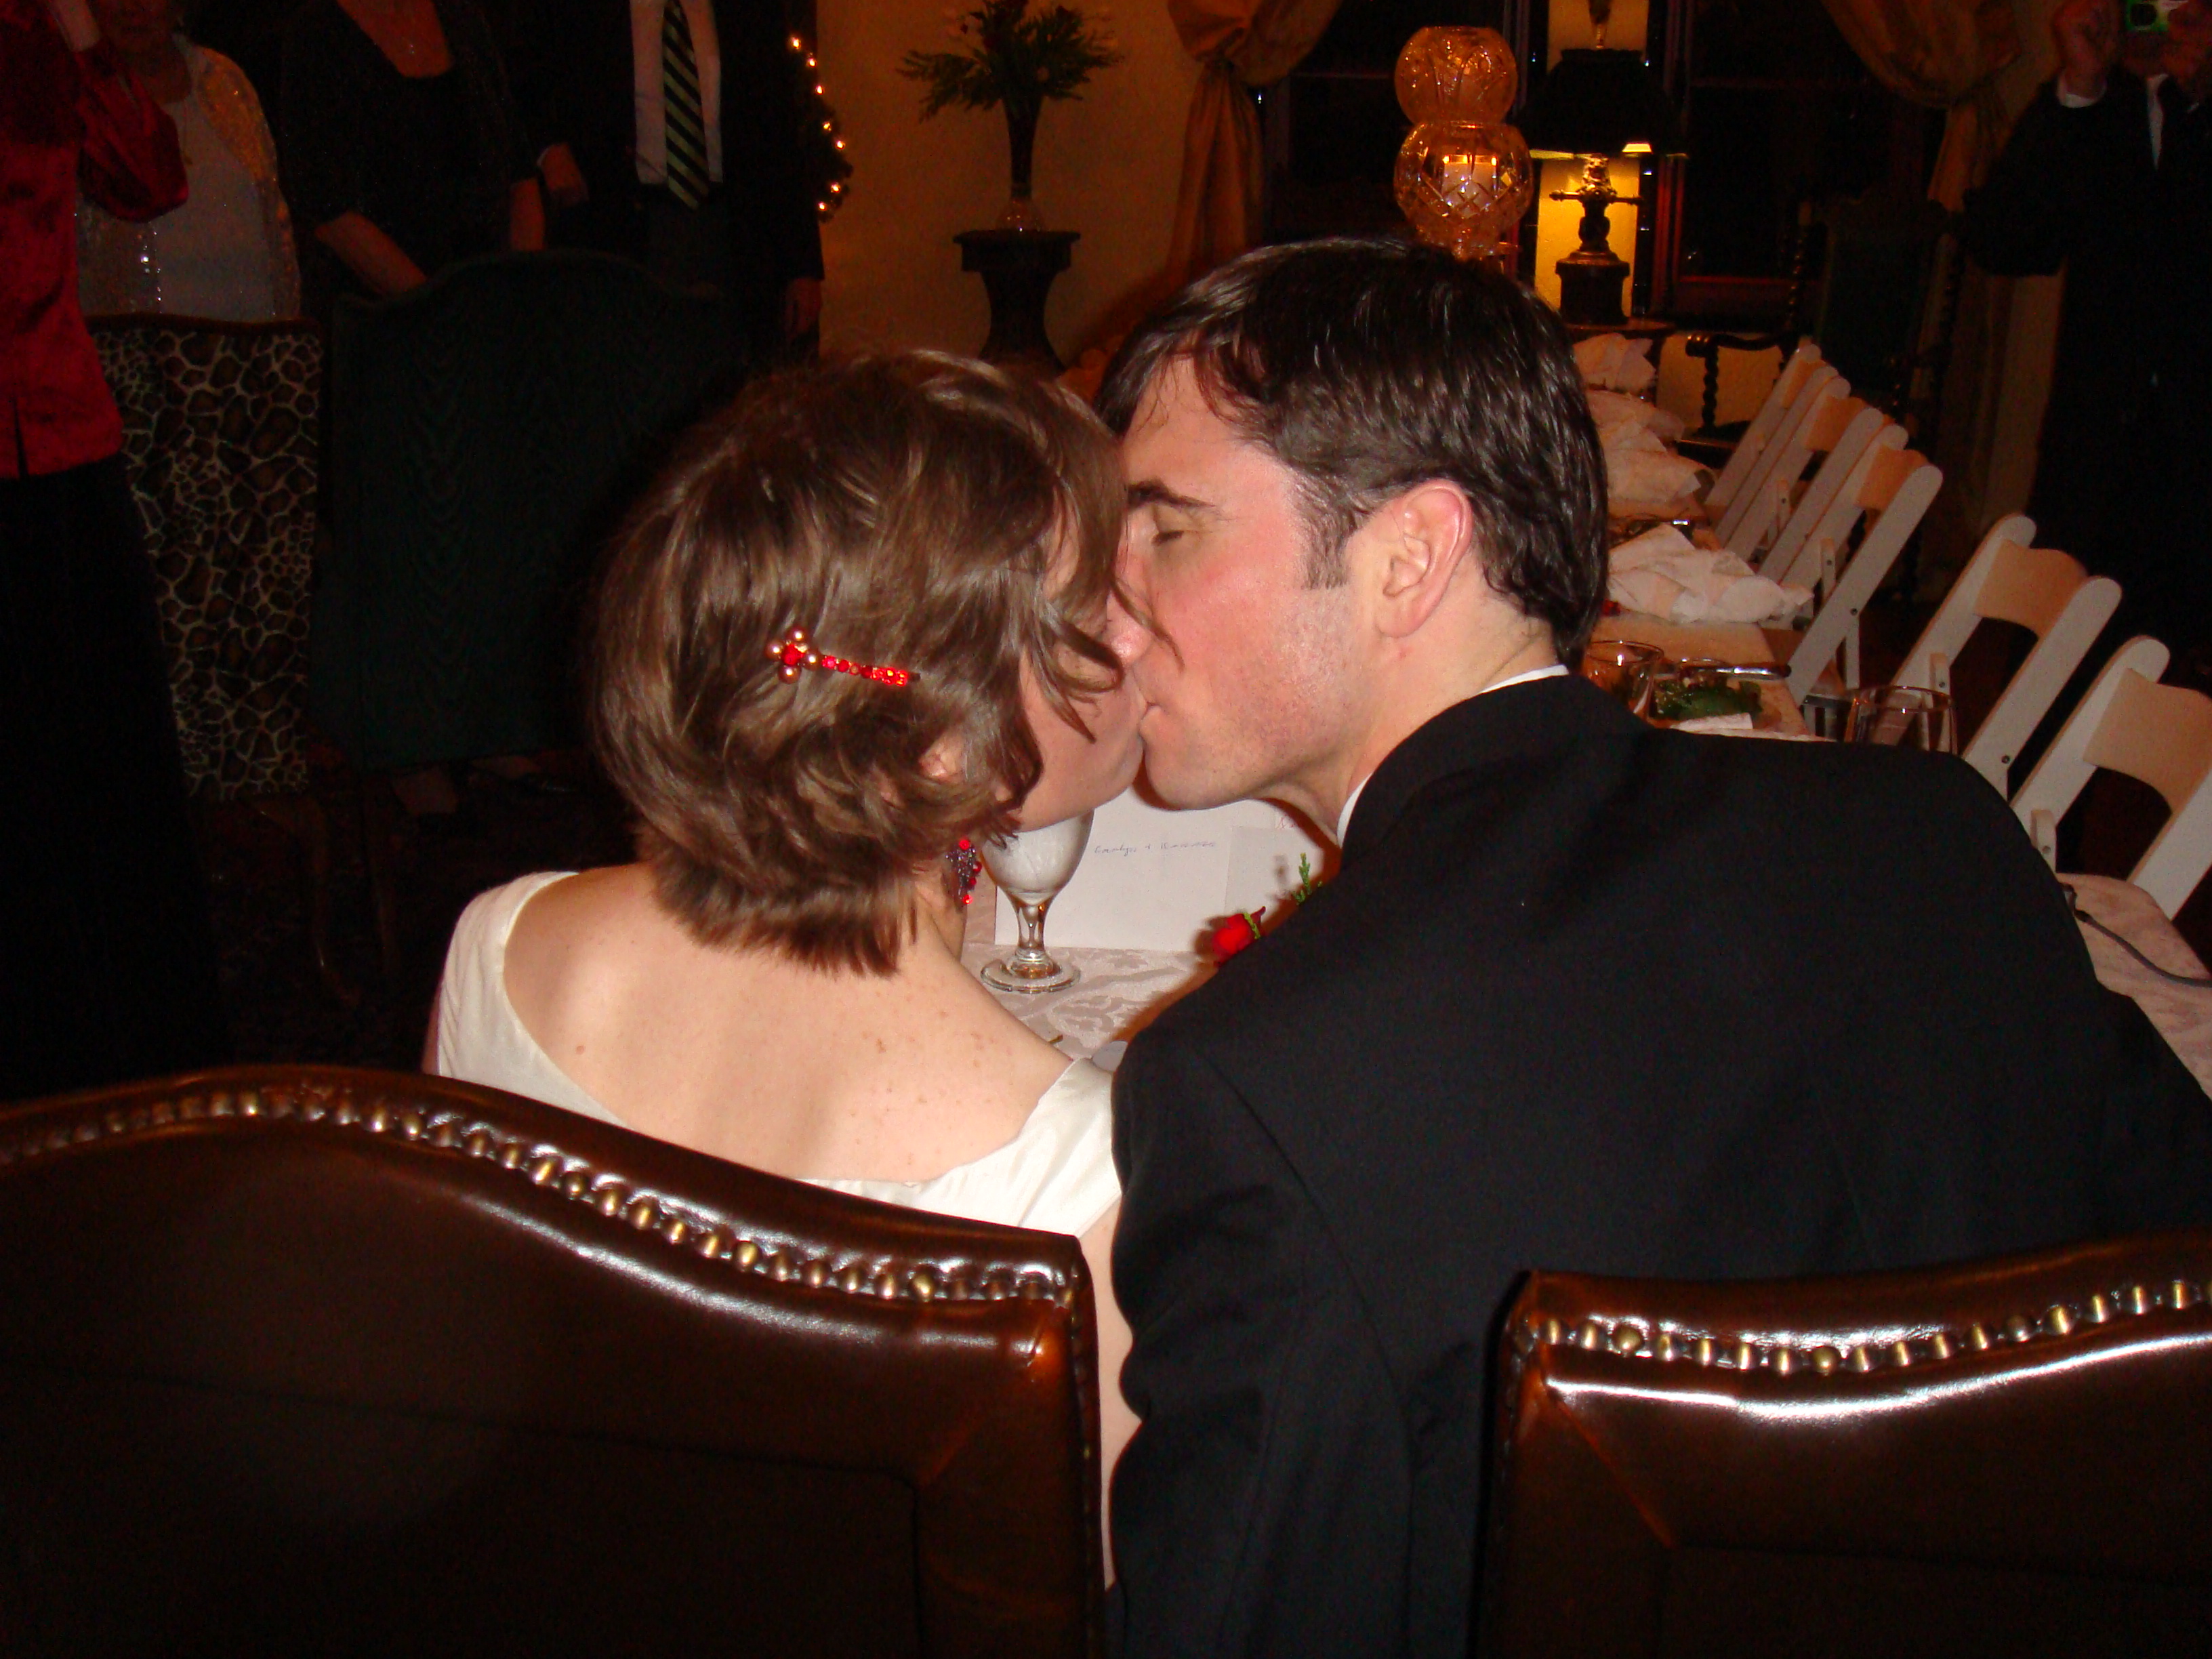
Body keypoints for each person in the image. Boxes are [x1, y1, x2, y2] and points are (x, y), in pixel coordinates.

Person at [1092, 238, 2212, 1657]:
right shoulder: (1940, 832)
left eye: (1166, 532)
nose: (1109, 616)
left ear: (1408, 559)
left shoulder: (1253, 1083)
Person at [428, 354, 1141, 1532]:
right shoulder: (1084, 1178)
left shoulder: (504, 946)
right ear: (941, 749)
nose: (1144, 633)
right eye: (1097, 608)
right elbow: (1075, 1584)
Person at [1, 0, 229, 1100]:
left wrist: (87, 40)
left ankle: (135, 1061)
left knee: (105, 766)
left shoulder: (41, 35)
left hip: (62, 442)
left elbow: (150, 180)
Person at [1962, 0, 2211, 653]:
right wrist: (2076, 89)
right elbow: (2005, 241)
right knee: (2052, 679)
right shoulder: (2098, 106)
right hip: (2094, 462)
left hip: (2195, 469)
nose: (2159, 22)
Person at [506, 0, 824, 359]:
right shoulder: (584, 13)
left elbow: (778, 127)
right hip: (623, 226)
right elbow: (525, 70)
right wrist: (549, 149)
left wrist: (802, 265)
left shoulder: (747, 11)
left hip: (730, 229)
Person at [279, 0, 542, 312]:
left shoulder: (463, 18)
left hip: (494, 301)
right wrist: (442, 311)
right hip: (388, 317)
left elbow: (519, 173)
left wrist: (522, 292)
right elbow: (331, 214)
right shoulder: (317, 36)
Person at [77, 0, 301, 319]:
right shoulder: (77, 100)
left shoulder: (223, 80)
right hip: (136, 344)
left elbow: (276, 228)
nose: (131, 8)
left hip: (250, 337)